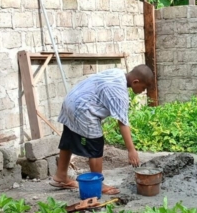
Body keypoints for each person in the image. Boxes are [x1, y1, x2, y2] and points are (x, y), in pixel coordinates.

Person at [50, 64, 154, 195]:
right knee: (96, 145)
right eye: (143, 88)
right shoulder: (119, 93)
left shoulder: (117, 73)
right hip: (83, 109)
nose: (143, 91)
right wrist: (131, 150)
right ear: (136, 82)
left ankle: (61, 177)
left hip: (71, 100)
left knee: (69, 137)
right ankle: (97, 184)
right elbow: (122, 122)